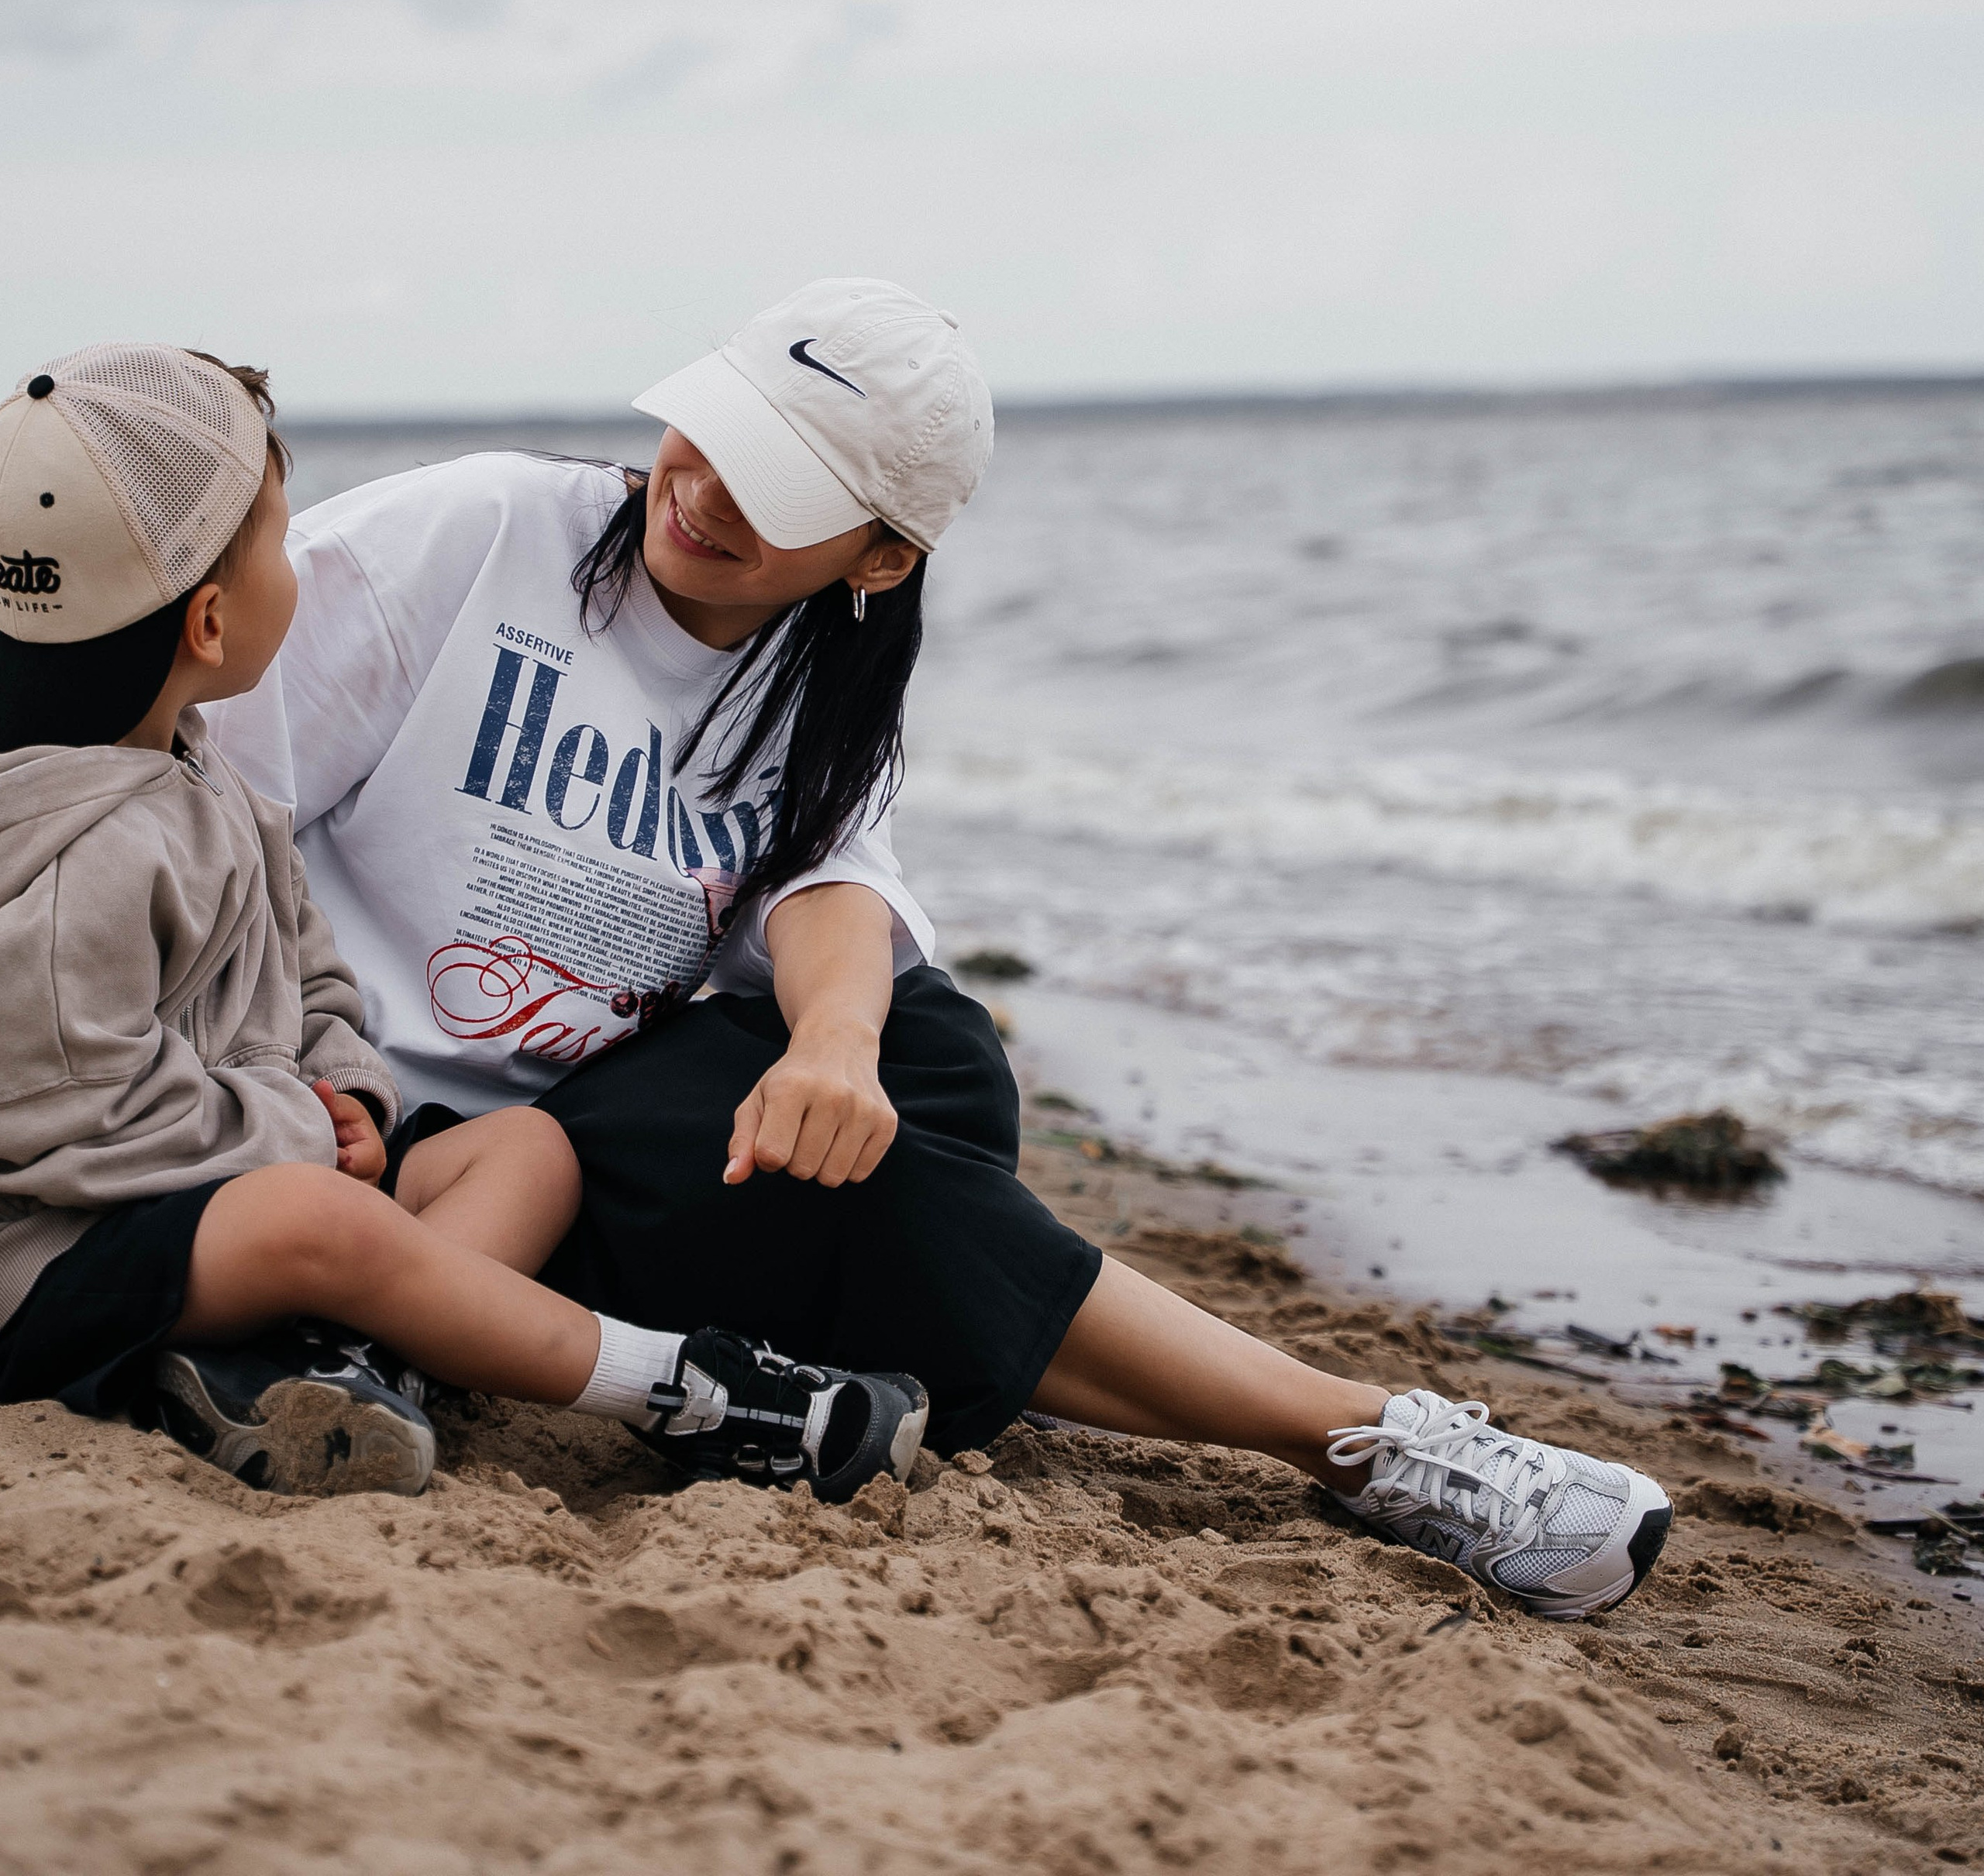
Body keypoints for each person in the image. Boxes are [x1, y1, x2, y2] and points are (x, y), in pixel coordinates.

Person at [208, 283, 1673, 1618]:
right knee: (841, 1160)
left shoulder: (819, 685)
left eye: (777, 490)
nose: (702, 492)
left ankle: (960, 1305)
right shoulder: (477, 537)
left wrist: (835, 1045)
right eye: (709, 434)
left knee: (929, 1059)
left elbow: (831, 881)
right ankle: (1357, 1438)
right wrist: (293, 1082)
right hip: (415, 1143)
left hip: (604, 1131)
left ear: (881, 558)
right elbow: (212, 800)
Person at [0, 346, 930, 1505]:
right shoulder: (80, 845)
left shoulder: (207, 781)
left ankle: (337, 1364)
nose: (315, 562)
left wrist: (348, 1087)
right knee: (310, 1220)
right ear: (209, 625)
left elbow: (307, 967)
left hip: (222, 1174)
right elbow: (69, 1114)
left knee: (530, 1151)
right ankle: (691, 1391)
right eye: (283, 546)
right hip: (51, 1248)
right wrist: (291, 1130)